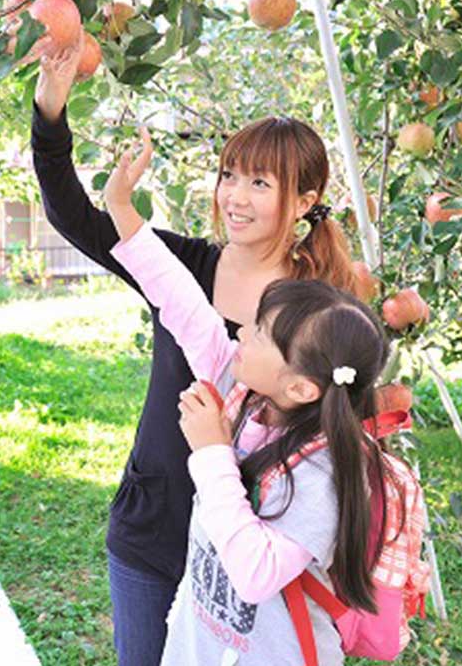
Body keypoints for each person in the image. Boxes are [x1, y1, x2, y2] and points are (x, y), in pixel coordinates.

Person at [31, 45, 361, 664]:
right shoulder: (183, 266)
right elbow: (73, 213)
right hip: (153, 521)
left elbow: (332, 428)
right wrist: (51, 111)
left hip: (246, 538)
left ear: (307, 197)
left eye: (259, 182)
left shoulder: (317, 308)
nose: (234, 196)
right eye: (229, 175)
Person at [102, 128, 399, 664]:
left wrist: (213, 451)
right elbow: (181, 302)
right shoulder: (245, 393)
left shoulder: (323, 469)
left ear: (301, 385)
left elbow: (256, 571)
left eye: (259, 331)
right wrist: (120, 207)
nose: (240, 331)